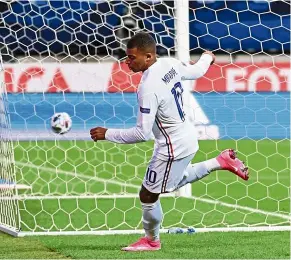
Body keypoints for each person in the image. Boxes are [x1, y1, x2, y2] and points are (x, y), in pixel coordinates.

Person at [90, 32, 249, 252]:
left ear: (148, 57)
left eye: (132, 58)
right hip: (186, 138)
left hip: (172, 147)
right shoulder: (169, 64)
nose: (127, 62)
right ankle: (220, 161)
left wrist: (107, 133)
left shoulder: (148, 88)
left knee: (148, 194)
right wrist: (207, 57)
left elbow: (141, 133)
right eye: (126, 57)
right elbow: (196, 71)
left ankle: (151, 241)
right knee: (171, 181)